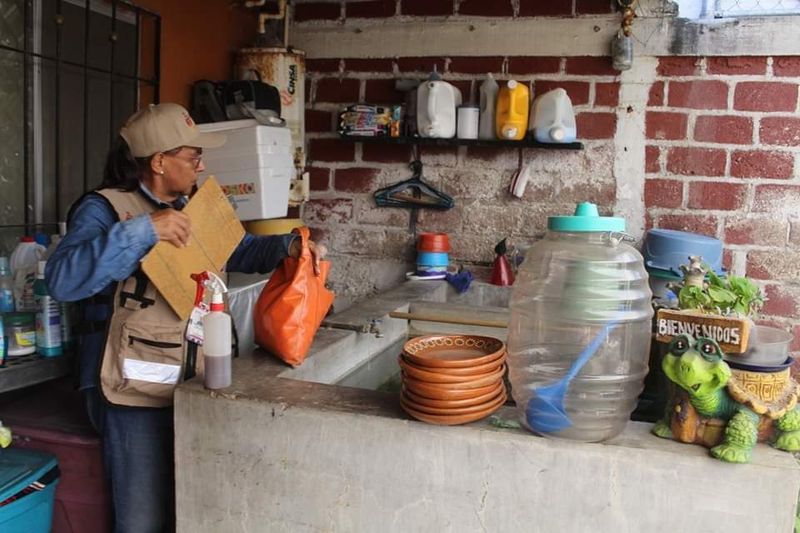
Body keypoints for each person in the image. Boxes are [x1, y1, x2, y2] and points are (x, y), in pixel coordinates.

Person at [46, 103, 323, 533]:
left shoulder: (191, 204)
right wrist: (145, 230)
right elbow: (64, 280)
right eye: (193, 157)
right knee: (142, 517)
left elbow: (237, 249)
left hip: (191, 375)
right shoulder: (104, 209)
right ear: (159, 161)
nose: (201, 164)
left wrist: (288, 247)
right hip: (128, 386)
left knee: (192, 506)